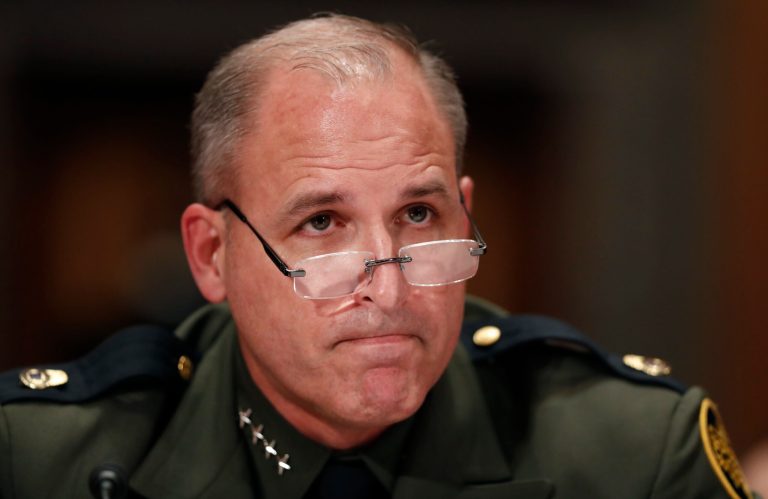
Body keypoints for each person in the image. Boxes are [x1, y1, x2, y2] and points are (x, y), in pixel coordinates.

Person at [0, 13, 757, 499]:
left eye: (420, 214)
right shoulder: (40, 460)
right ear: (211, 254)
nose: (388, 286)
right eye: (323, 222)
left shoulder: (635, 457)